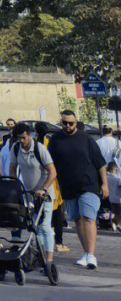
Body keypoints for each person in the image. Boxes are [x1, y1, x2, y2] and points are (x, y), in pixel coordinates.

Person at [48, 109, 108, 270]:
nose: (68, 126)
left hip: (88, 184)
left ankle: (91, 255)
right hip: (68, 187)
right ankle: (86, 253)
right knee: (77, 220)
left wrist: (104, 184)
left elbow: (100, 162)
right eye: (65, 123)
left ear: (76, 122)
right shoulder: (55, 140)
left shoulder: (86, 139)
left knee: (88, 217)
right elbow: (49, 164)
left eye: (71, 123)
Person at [12, 122, 58, 279]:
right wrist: (15, 187)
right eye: (18, 138)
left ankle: (49, 262)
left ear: (29, 135)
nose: (21, 141)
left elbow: (52, 172)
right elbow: (12, 169)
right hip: (29, 195)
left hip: (44, 195)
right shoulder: (16, 148)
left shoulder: (40, 149)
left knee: (45, 227)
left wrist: (43, 188)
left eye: (23, 138)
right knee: (35, 229)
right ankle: (42, 258)